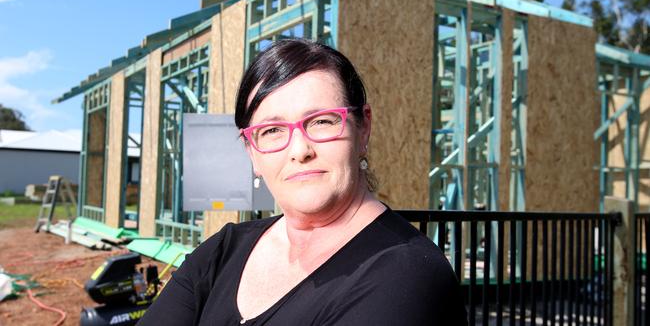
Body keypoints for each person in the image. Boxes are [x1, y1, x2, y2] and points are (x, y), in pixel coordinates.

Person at [139, 39, 467, 325]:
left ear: (363, 127)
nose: (300, 150)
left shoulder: (405, 276)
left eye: (322, 121)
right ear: (251, 152)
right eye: (272, 131)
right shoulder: (224, 251)